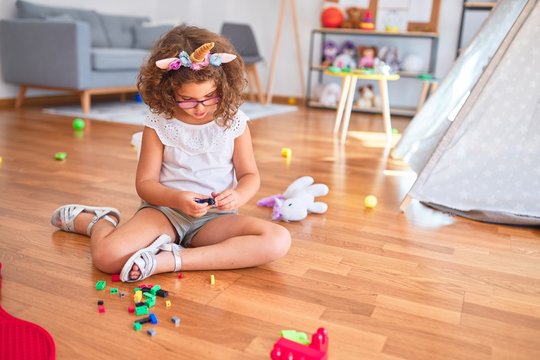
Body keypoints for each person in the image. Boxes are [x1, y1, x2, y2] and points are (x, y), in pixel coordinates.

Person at [51, 25, 291, 282]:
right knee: (106, 258)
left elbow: (250, 175)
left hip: (215, 220)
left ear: (224, 85)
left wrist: (238, 195)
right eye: (187, 99)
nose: (200, 108)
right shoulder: (158, 124)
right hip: (164, 213)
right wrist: (177, 199)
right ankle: (100, 222)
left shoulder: (234, 123)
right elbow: (145, 185)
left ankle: (168, 260)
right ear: (167, 92)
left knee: (278, 240)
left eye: (210, 96)